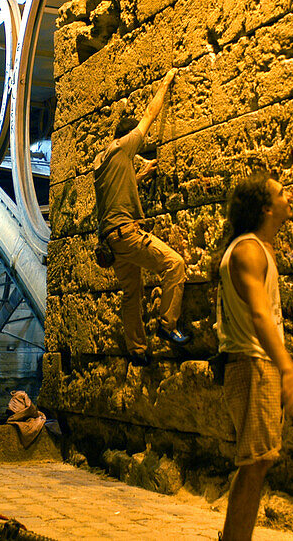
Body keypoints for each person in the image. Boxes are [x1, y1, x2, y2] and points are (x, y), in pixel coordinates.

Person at [217, 173, 293, 541]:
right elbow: (259, 315)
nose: (289, 196)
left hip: (254, 363)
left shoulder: (254, 248)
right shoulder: (249, 249)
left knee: (259, 460)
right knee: (255, 462)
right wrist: (287, 369)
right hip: (254, 364)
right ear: (267, 207)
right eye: (282, 192)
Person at [93, 67, 188, 365]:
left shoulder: (104, 163)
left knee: (132, 293)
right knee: (174, 264)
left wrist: (143, 172)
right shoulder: (123, 146)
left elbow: (121, 188)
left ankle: (137, 350)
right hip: (127, 234)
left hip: (112, 242)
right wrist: (166, 81)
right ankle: (166, 325)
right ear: (128, 139)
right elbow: (149, 114)